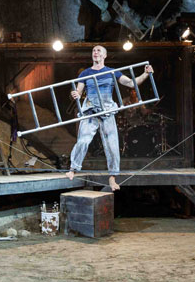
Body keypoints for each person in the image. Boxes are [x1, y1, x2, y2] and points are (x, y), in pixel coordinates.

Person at [66, 45, 154, 191]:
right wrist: (74, 94)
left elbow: (131, 83)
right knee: (83, 141)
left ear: (105, 55)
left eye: (99, 50)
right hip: (90, 111)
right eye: (93, 50)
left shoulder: (112, 72)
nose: (95, 52)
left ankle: (112, 177)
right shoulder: (85, 73)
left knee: (112, 145)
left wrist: (145, 74)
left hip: (107, 111)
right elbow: (77, 91)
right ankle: (73, 169)